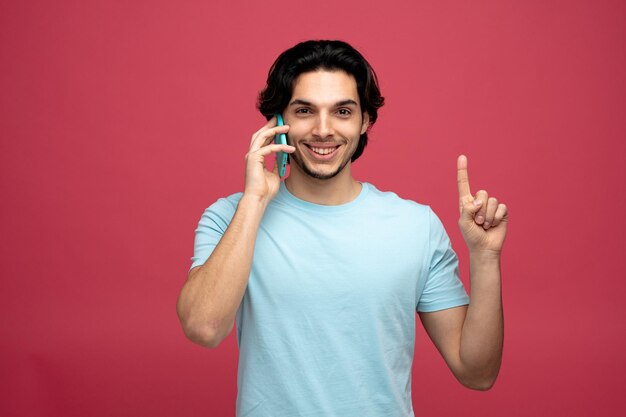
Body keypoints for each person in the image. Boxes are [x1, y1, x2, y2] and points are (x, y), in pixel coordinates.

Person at [176, 40, 508, 416]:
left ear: (365, 119)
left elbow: (477, 373)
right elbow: (203, 328)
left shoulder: (416, 226)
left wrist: (485, 257)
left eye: (342, 111)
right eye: (304, 110)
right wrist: (254, 200)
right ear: (278, 122)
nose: (323, 129)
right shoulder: (230, 217)